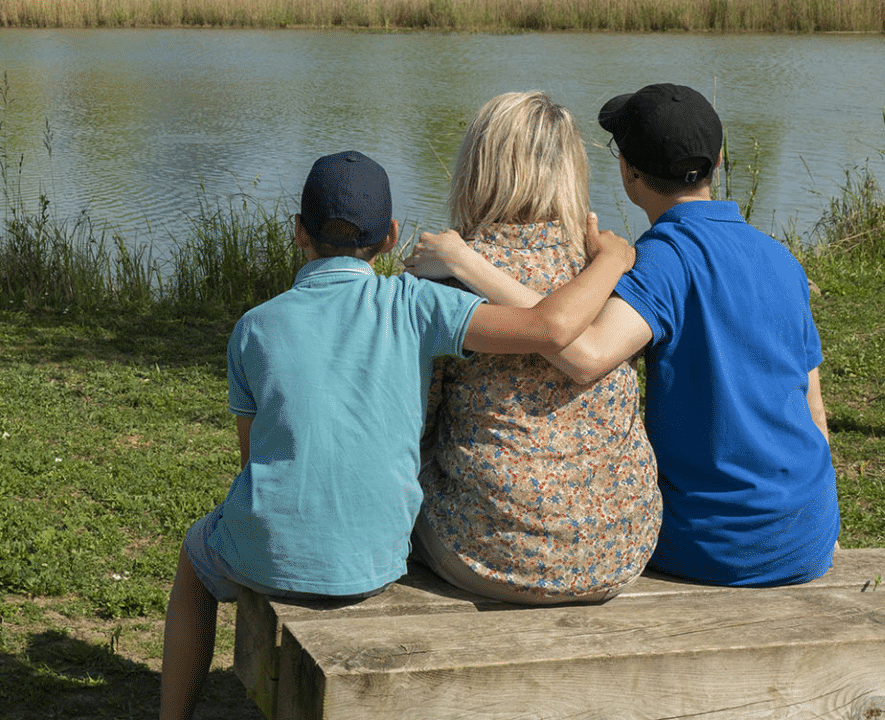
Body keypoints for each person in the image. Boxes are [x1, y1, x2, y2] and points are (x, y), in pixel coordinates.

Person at [160, 149, 635, 720]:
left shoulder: (254, 327)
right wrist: (613, 259)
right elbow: (548, 327)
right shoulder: (414, 304)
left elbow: (253, 459)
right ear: (389, 237)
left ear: (297, 233)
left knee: (195, 556)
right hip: (379, 560)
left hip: (272, 552)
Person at [406, 83, 838, 587]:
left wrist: (468, 264)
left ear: (629, 173)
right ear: (718, 160)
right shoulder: (783, 261)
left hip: (713, 545)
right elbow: (815, 407)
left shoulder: (662, 262)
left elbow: (584, 351)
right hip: (810, 533)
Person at [415, 91, 660, 604]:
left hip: (489, 553)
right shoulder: (605, 271)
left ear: (478, 166)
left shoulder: (442, 277)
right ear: (570, 170)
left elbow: (413, 420)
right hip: (617, 548)